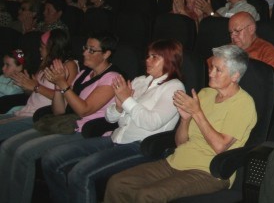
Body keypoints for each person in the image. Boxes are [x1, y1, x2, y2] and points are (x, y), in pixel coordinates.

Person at [104, 45, 257, 202]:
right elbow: (180, 142)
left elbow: (220, 147)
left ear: (235, 76)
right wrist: (185, 119)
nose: (210, 73)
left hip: (208, 172)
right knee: (117, 183)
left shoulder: (243, 104)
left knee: (147, 195)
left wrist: (197, 113)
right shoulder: (205, 94)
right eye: (211, 67)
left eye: (218, 70)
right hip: (176, 161)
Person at [41, 39, 185, 203]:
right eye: (148, 56)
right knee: (51, 157)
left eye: (154, 57)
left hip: (140, 146)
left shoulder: (174, 87)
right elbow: (110, 118)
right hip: (116, 137)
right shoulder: (140, 81)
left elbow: (152, 122)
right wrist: (118, 107)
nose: (147, 60)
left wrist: (127, 101)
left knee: (80, 173)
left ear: (169, 61)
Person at [0, 32, 119, 203]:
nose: (84, 52)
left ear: (106, 54)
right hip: (66, 123)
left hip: (85, 130)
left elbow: (84, 110)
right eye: (85, 48)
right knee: (8, 146)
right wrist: (58, 85)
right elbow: (59, 111)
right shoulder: (85, 73)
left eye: (91, 50)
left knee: (23, 154)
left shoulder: (111, 77)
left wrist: (63, 84)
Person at [0, 30, 78, 139]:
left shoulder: (69, 65)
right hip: (27, 110)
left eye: (42, 46)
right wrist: (25, 85)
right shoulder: (46, 62)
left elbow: (66, 98)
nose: (39, 48)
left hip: (41, 116)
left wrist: (36, 87)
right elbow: (32, 92)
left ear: (52, 48)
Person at [228, 12, 274, 88]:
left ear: (251, 29)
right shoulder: (229, 48)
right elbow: (209, 68)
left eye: (237, 31)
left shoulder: (266, 50)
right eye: (231, 32)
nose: (232, 36)